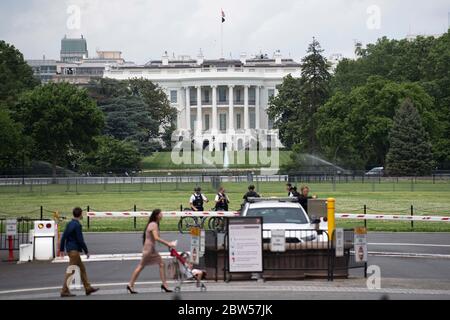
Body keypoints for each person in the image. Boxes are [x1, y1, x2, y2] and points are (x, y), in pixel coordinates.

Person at [127, 209, 177, 294]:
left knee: (160, 264)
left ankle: (164, 285)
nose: (162, 215)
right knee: (141, 266)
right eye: (161, 214)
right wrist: (168, 243)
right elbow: (156, 238)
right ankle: (130, 284)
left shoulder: (153, 224)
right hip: (149, 250)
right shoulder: (153, 224)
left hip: (150, 249)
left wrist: (168, 244)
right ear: (157, 215)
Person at [60, 207, 99, 298]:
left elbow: (63, 237)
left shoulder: (69, 224)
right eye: (82, 214)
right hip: (74, 251)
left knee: (82, 269)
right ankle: (64, 290)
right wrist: (86, 251)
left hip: (70, 250)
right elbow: (80, 240)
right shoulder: (77, 225)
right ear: (80, 214)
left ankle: (88, 287)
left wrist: (62, 249)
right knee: (71, 271)